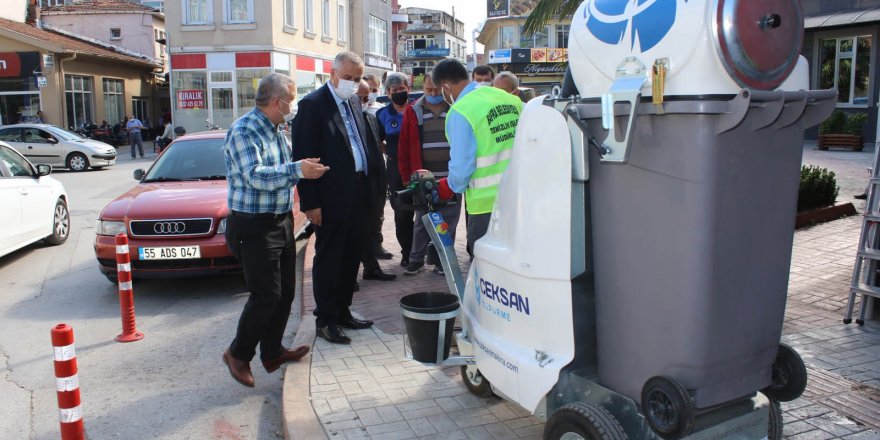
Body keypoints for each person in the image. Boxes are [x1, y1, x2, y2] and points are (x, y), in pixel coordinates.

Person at [222, 73, 329, 387]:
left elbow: (285, 174)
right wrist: (298, 169)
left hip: (280, 221)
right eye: (292, 99)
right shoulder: (243, 130)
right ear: (277, 101)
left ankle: (272, 352)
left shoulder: (277, 130)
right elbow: (255, 176)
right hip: (252, 225)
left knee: (284, 296)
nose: (293, 105)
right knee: (265, 295)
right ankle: (238, 354)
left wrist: (305, 168)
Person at [291, 51, 379, 345]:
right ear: (333, 75)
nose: (353, 84)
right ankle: (325, 319)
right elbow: (303, 157)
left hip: (357, 191)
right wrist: (311, 203)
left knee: (352, 253)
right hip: (329, 197)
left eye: (357, 79)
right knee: (330, 258)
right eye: (348, 78)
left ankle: (343, 311)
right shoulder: (313, 106)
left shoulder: (354, 101)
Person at [433, 59, 523, 259]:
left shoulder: (460, 112)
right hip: (521, 197)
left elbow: (462, 168)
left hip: (487, 206)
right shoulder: (508, 98)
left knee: (487, 267)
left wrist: (447, 186)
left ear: (445, 87)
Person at [398, 74, 462, 275]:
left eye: (436, 90)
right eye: (428, 90)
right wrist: (407, 176)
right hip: (424, 177)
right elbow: (404, 145)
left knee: (448, 220)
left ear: (444, 87)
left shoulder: (456, 109)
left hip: (451, 176)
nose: (433, 94)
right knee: (422, 219)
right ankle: (416, 259)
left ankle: (441, 260)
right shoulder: (413, 110)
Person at [355, 80, 397, 283]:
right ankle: (349, 276)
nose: (365, 101)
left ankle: (371, 267)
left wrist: (382, 181)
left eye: (367, 97)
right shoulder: (342, 121)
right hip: (353, 186)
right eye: (360, 97)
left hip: (373, 183)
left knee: (370, 227)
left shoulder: (370, 118)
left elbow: (378, 148)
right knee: (353, 232)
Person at [376, 72, 415, 267]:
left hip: (419, 167)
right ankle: (407, 252)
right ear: (388, 94)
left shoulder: (417, 108)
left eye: (402, 89)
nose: (399, 93)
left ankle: (428, 252)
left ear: (408, 89)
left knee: (427, 211)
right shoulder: (382, 115)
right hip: (395, 169)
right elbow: (378, 140)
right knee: (402, 214)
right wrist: (389, 152)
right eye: (394, 91)